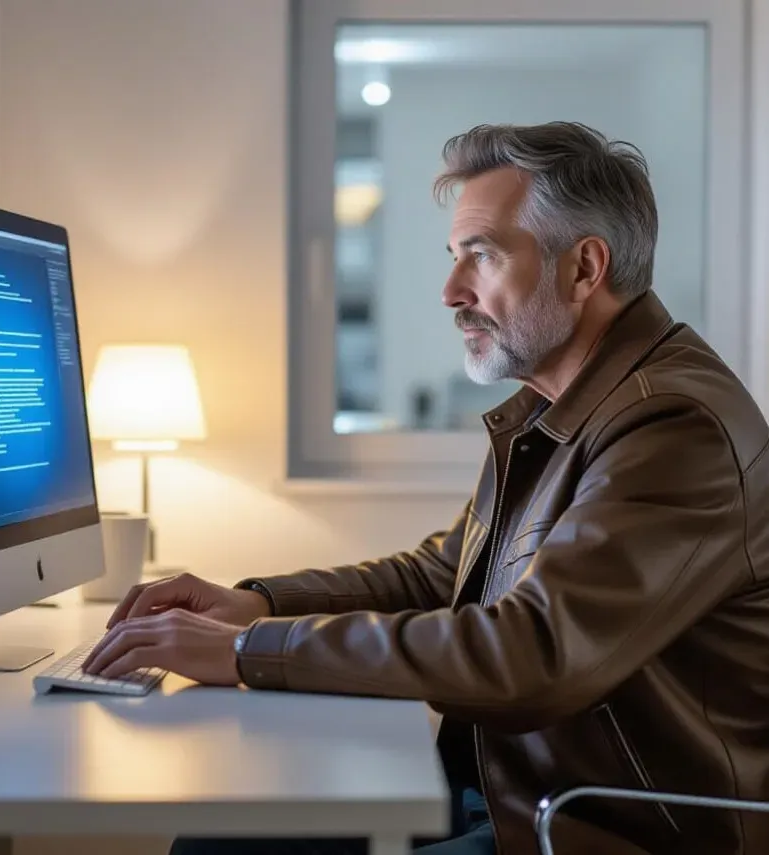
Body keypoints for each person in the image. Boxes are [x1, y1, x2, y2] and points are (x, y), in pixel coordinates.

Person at [83, 122, 769, 855]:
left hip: (592, 829)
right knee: (223, 837)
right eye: (454, 257)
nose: (450, 291)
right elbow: (443, 576)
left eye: (483, 255)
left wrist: (249, 650)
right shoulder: (561, 406)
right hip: (512, 794)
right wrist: (258, 604)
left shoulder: (672, 427)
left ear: (584, 268)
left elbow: (531, 652)